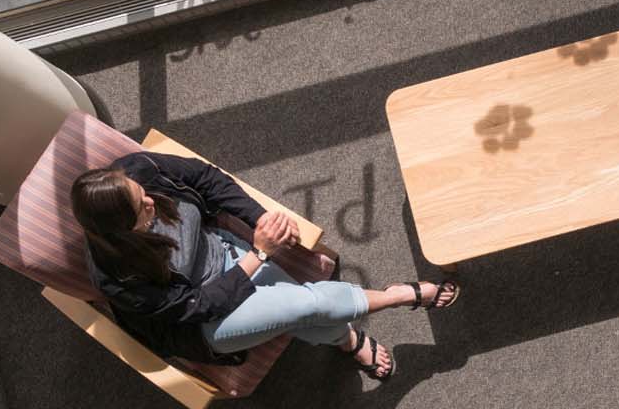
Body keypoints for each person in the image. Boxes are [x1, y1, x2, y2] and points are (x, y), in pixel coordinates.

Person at [71, 151, 459, 383]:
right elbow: (196, 307)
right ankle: (397, 296)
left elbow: (207, 179)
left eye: (144, 195)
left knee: (299, 309)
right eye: (142, 210)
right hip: (205, 323)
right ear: (122, 231)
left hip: (226, 254)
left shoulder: (139, 168)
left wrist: (259, 221)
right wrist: (260, 253)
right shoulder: (119, 279)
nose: (152, 204)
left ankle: (348, 341)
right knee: (306, 305)